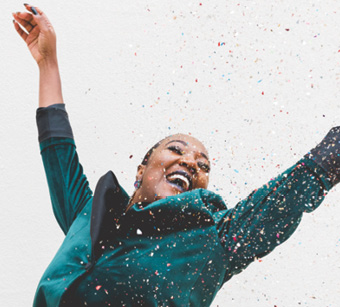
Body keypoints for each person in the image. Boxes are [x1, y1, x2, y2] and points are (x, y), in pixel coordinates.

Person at [13, 4, 340, 307]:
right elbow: (58, 148)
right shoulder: (88, 214)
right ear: (141, 169)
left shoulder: (212, 242)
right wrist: (47, 62)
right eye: (176, 149)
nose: (190, 162)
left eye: (203, 166)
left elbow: (286, 198)